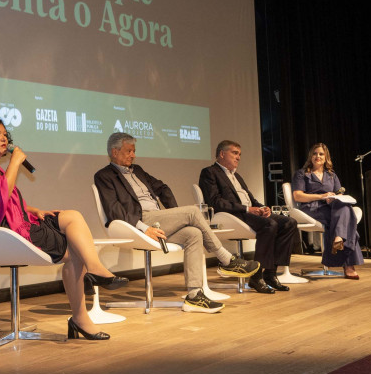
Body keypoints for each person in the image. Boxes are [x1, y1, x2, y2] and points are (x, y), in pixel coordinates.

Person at [0, 116, 127, 341]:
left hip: (19, 224)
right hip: (7, 233)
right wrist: (15, 163)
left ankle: (94, 272)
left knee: (72, 216)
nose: (4, 138)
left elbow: (6, 200)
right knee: (76, 253)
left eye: (4, 134)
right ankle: (81, 314)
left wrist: (34, 209)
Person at [94, 133, 260, 313]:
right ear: (114, 152)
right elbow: (114, 209)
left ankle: (195, 295)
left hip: (158, 219)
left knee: (193, 234)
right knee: (192, 212)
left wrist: (175, 214)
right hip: (139, 222)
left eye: (134, 151)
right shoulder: (104, 176)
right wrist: (143, 228)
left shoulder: (138, 170)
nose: (133, 155)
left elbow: (162, 187)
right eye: (128, 151)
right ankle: (227, 260)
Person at [199, 140, 298, 294]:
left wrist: (262, 208)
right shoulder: (209, 172)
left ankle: (270, 274)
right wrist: (247, 209)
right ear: (222, 154)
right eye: (234, 153)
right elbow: (215, 201)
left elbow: (250, 199)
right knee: (270, 225)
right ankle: (256, 277)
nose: (238, 157)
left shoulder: (237, 176)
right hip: (232, 214)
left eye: (239, 154)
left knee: (289, 223)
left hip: (249, 212)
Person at [292, 143, 364, 279]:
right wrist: (322, 196)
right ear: (310, 156)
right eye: (314, 153)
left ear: (326, 158)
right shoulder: (302, 174)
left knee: (344, 207)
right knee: (348, 221)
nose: (317, 156)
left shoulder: (331, 175)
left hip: (330, 208)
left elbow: (338, 194)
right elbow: (298, 196)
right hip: (311, 208)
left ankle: (339, 238)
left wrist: (334, 197)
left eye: (321, 154)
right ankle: (348, 265)